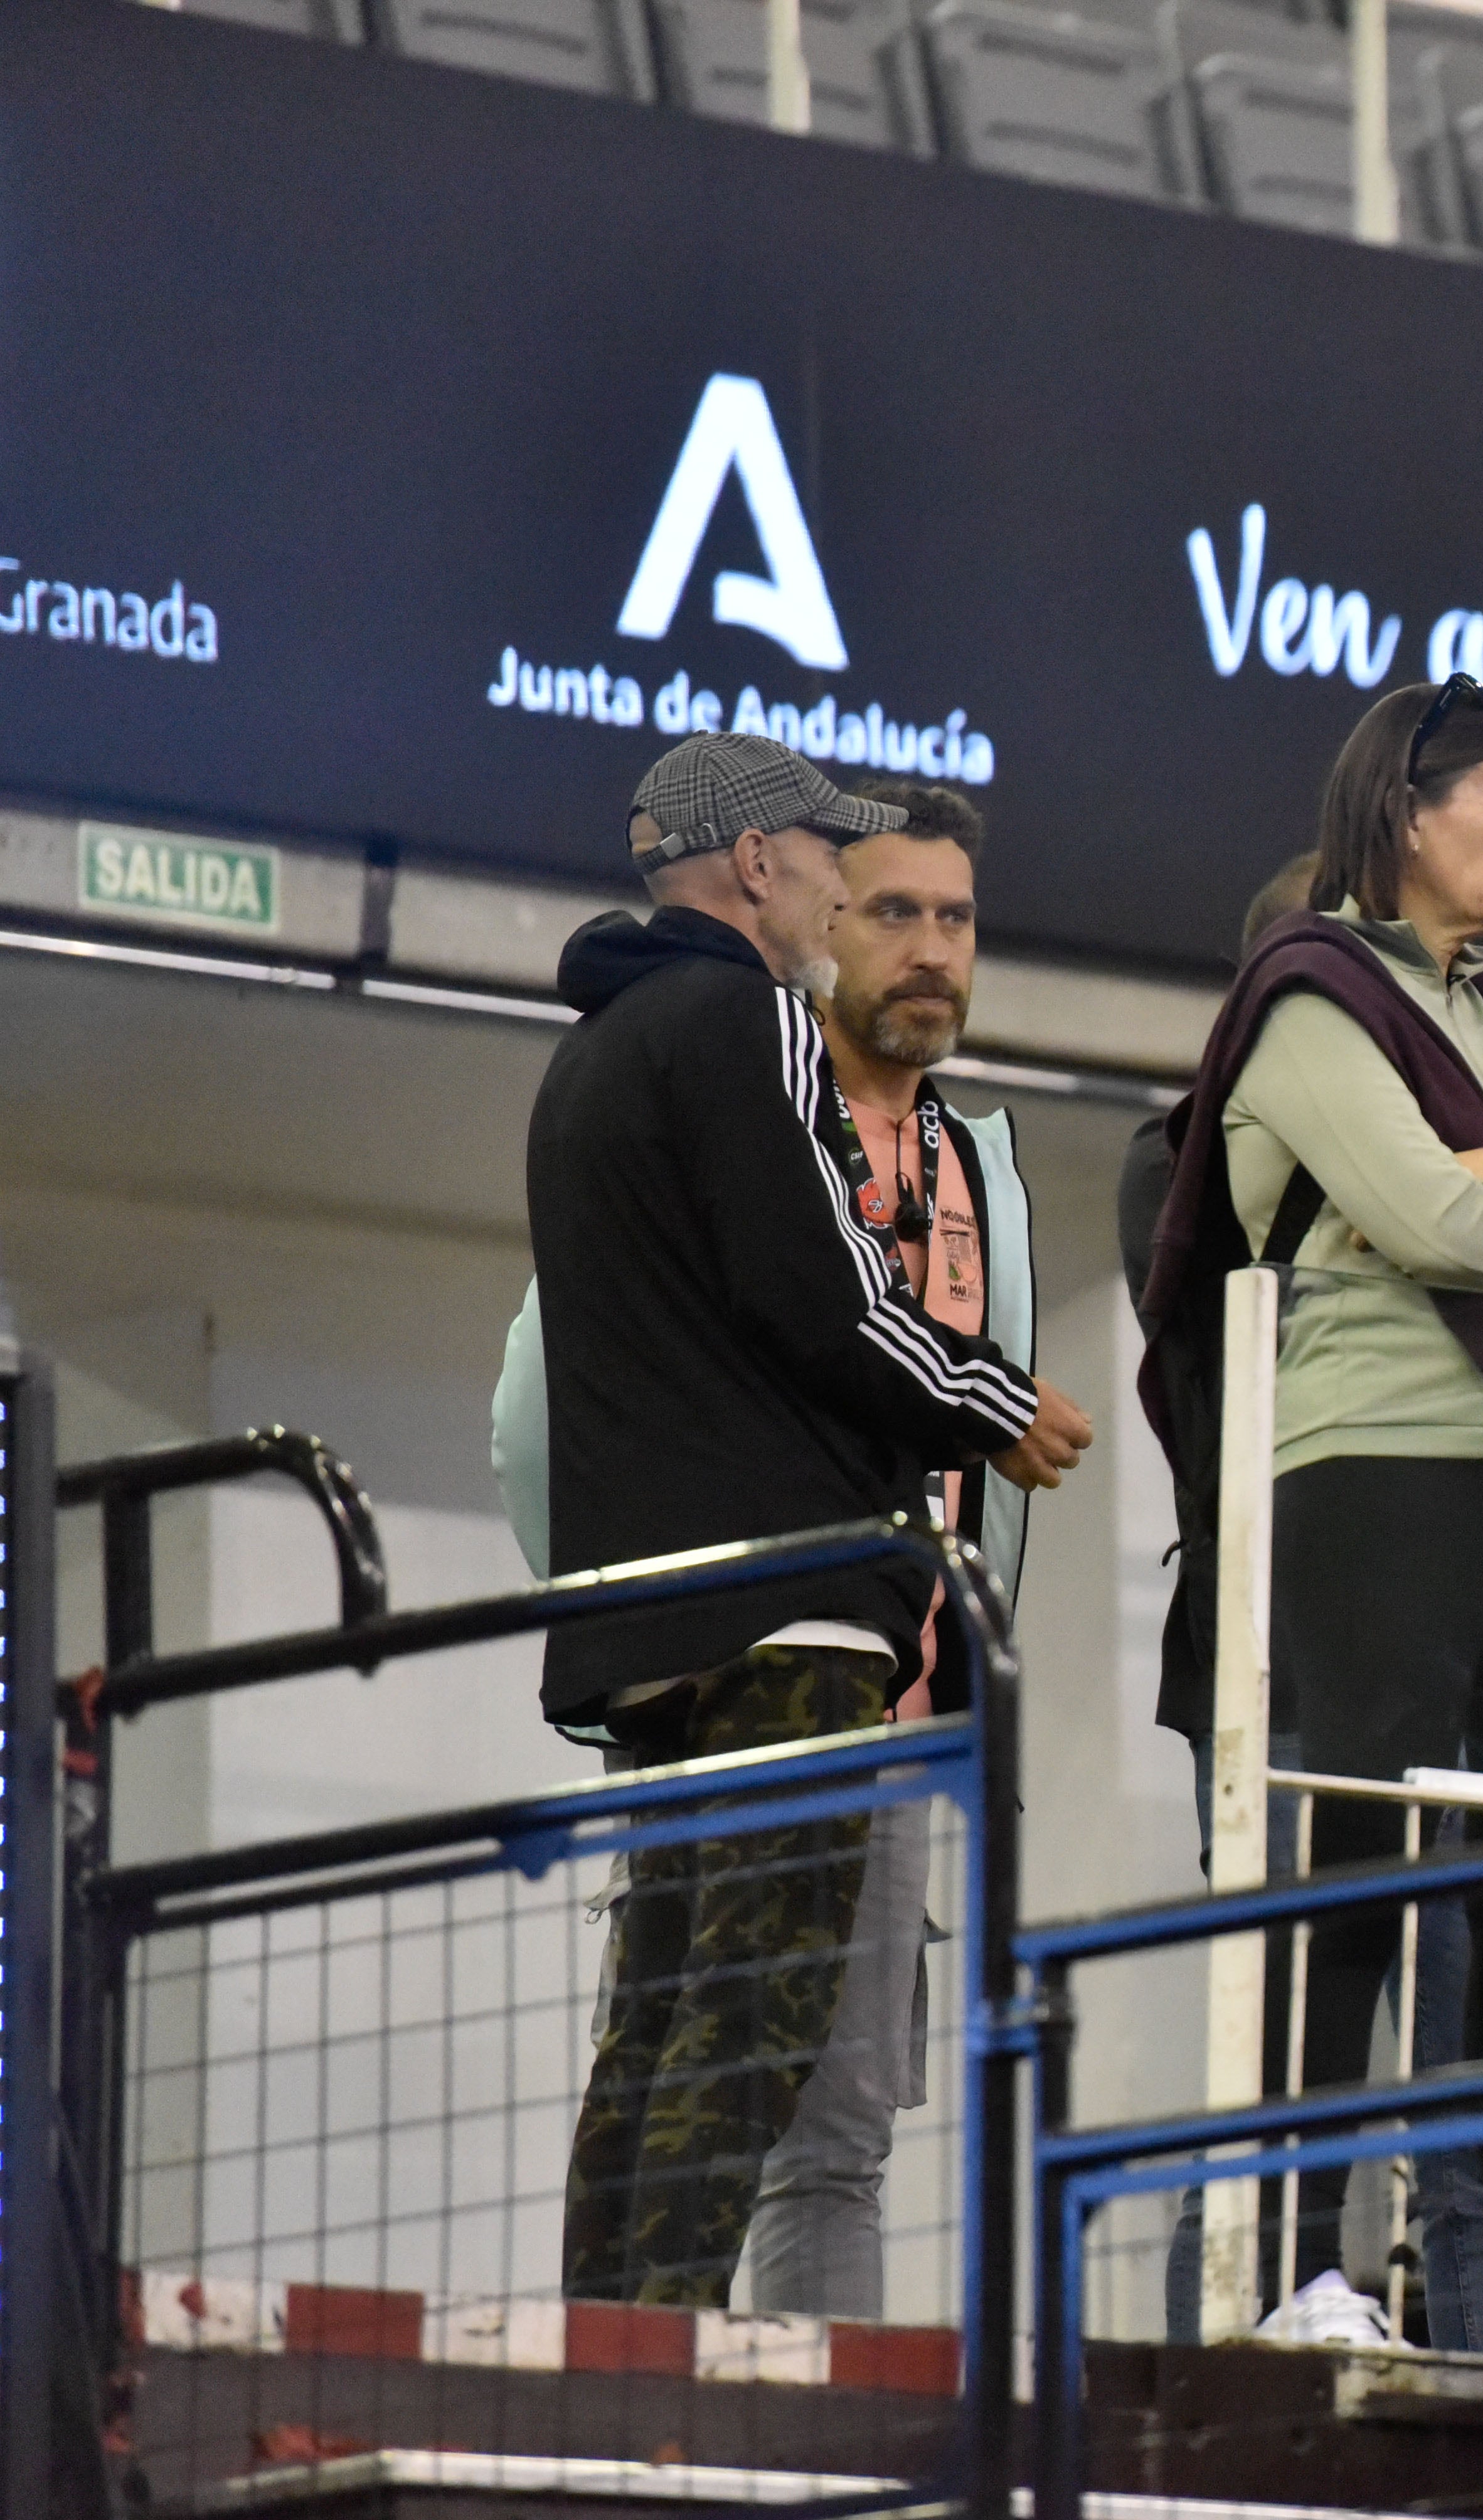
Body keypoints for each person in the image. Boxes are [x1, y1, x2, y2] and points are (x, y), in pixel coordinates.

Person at [1130, 674, 1483, 2354]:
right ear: (1406, 815)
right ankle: (1300, 2267)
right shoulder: (1307, 998)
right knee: (1357, 1867)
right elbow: (1430, 1218)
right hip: (1376, 1459)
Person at [528, 732, 1092, 2307]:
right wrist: (986, 1394)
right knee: (760, 2008)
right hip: (791, 1609)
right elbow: (820, 1293)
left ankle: (611, 2340)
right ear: (757, 863)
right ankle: (673, 2358)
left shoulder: (593, 1050)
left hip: (643, 1618)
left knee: (658, 2017)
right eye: (832, 857)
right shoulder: (751, 1019)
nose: (843, 887)